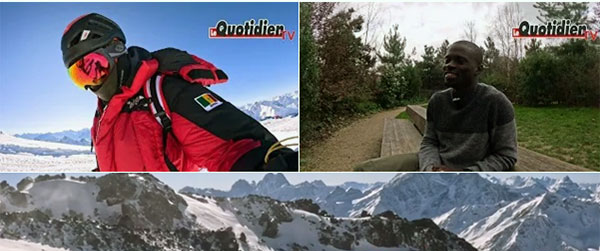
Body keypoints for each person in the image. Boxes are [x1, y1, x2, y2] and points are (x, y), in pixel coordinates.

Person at [61, 13, 298, 172]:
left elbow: (234, 148)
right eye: (80, 76)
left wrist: (276, 167)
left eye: (94, 66)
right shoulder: (103, 115)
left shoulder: (164, 91)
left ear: (116, 49)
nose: (91, 83)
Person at [355, 40, 517, 172]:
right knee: (363, 172)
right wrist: (430, 169)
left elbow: (506, 155)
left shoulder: (496, 102)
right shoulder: (438, 101)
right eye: (447, 60)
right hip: (436, 165)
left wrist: (465, 175)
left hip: (473, 174)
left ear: (478, 69)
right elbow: (430, 142)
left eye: (460, 61)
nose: (450, 65)